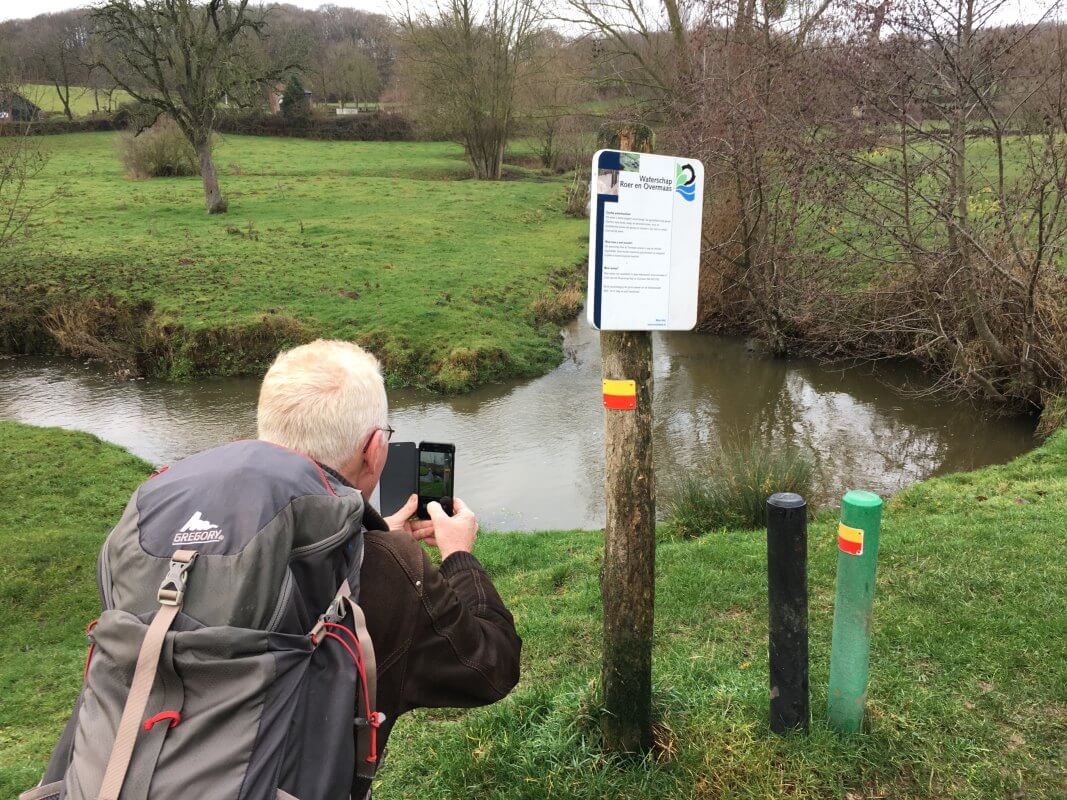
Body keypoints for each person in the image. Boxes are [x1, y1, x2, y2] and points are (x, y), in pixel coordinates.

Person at [256, 339, 521, 797]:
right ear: (375, 450)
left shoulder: (178, 533)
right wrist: (459, 555)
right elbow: (490, 665)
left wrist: (372, 529)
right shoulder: (389, 568)